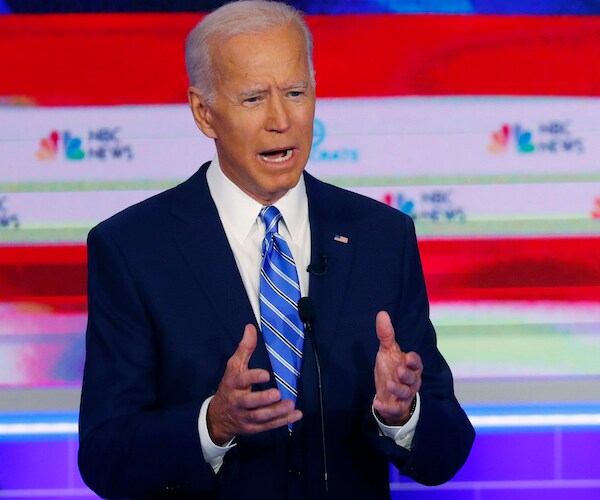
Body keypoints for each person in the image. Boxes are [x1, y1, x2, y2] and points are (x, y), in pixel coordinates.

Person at [78, 1, 475, 498]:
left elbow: (449, 451)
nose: (281, 120)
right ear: (205, 113)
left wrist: (403, 414)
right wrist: (213, 425)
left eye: (295, 92)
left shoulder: (380, 236)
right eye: (252, 99)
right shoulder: (133, 249)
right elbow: (104, 457)